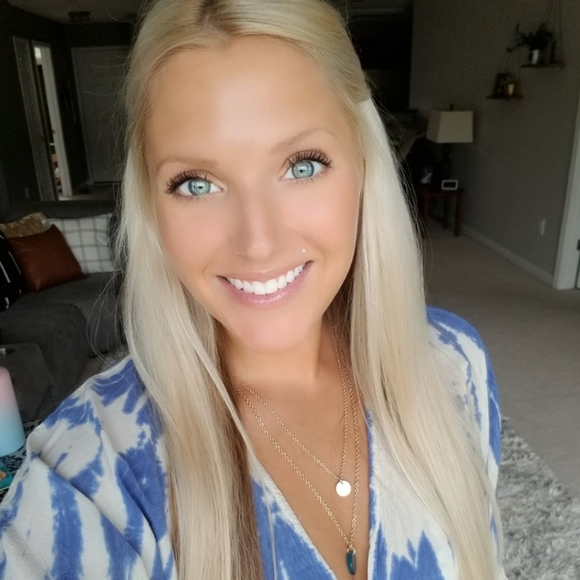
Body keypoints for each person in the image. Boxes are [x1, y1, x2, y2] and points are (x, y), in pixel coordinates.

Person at [0, 0, 506, 578]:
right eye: (196, 183)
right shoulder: (88, 468)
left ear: (365, 166)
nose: (258, 243)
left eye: (302, 165)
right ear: (150, 206)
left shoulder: (454, 365)